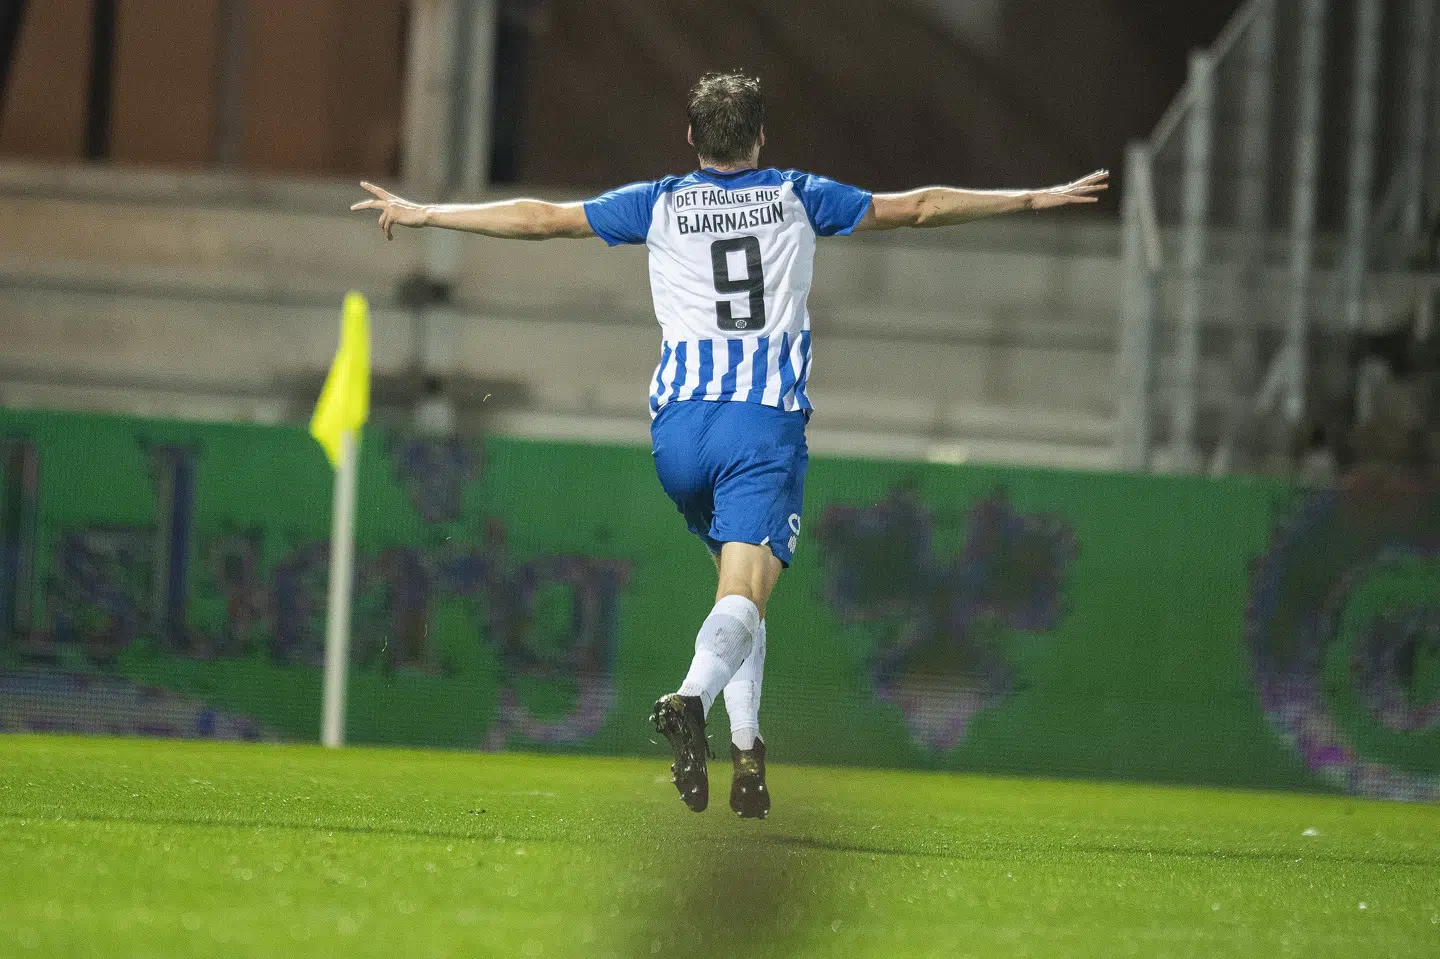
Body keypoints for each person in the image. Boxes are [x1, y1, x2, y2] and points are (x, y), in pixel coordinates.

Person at [352, 71, 1106, 818]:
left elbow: (542, 216)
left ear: (690, 139)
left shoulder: (661, 202)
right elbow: (917, 207)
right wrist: (1032, 198)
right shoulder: (796, 194)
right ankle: (691, 697)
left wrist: (426, 212)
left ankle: (747, 754)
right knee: (746, 592)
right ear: (761, 137)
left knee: (736, 589)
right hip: (759, 423)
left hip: (677, 431)